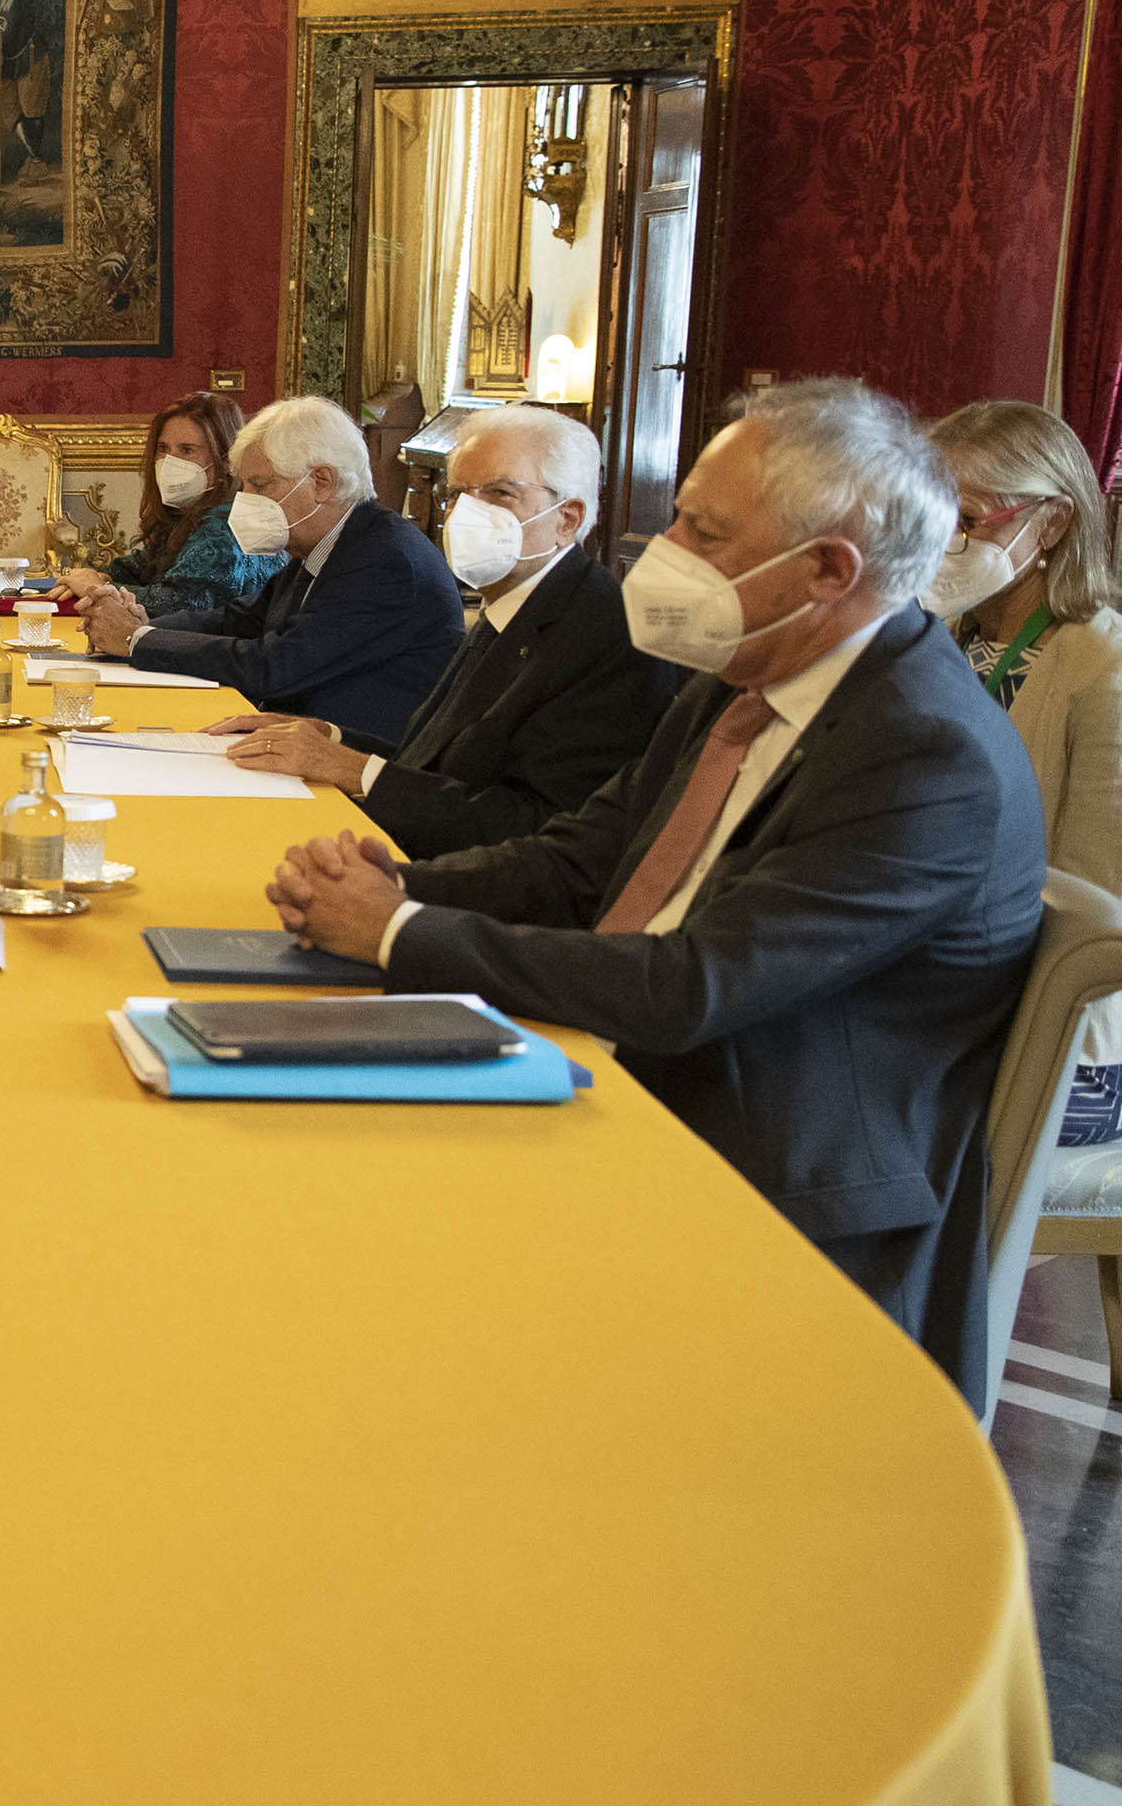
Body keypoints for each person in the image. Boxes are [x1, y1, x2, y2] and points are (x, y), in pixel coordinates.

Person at [268, 379, 1047, 1399]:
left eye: (703, 532)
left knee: (345, 1268)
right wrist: (395, 880)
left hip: (767, 1198)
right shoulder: (747, 676)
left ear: (828, 570)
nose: (662, 550)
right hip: (629, 1081)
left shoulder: (924, 752)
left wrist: (398, 932)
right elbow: (580, 859)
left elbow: (692, 987)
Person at [218, 403, 675, 858]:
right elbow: (437, 761)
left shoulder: (604, 633)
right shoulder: (508, 608)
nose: (467, 513)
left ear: (567, 519)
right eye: (457, 494)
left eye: (500, 493)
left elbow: (541, 827)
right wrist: (328, 737)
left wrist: (355, 770)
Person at [927, 399, 1122, 1141]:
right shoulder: (942, 637)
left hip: (1063, 1033)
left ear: (1052, 523)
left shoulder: (1102, 668)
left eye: (967, 519)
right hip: (948, 988)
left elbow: (1094, 904)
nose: (944, 541)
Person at [80, 394, 459, 741]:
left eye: (260, 486)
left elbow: (274, 666)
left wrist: (136, 639)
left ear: (321, 482)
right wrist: (143, 624)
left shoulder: (385, 560)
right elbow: (238, 620)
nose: (244, 500)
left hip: (351, 768)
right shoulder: (323, 546)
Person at [60, 390, 264, 619]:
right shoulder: (188, 513)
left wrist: (97, 588)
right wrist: (98, 575)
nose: (169, 462)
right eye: (163, 449)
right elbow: (143, 567)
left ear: (227, 461)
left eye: (187, 450)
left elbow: (179, 604)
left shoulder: (227, 525)